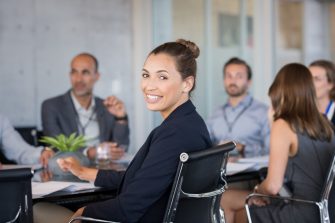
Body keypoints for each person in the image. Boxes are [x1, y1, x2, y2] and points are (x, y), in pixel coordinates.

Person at [33, 39, 212, 223]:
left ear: (187, 84)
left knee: (38, 210)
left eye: (162, 77)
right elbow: (142, 178)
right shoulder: (189, 123)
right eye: (145, 75)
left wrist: (83, 211)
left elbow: (129, 208)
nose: (149, 85)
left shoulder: (175, 133)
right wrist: (84, 172)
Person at [220, 63, 335, 223]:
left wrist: (256, 192)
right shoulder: (325, 123)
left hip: (300, 211)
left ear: (279, 91)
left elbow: (273, 186)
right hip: (325, 211)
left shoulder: (284, 124)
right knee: (232, 198)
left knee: (229, 202)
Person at [41, 53, 130, 160]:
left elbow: (121, 148)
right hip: (70, 170)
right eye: (74, 72)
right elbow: (56, 146)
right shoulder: (51, 106)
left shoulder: (107, 106)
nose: (78, 79)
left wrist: (121, 118)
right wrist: (90, 152)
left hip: (103, 169)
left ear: (96, 76)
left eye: (85, 72)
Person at [206, 57, 270, 158]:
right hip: (217, 171)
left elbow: (272, 150)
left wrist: (244, 148)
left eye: (239, 76)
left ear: (249, 82)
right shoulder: (215, 114)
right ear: (224, 80)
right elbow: (204, 145)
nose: (233, 81)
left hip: (252, 173)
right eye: (229, 76)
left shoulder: (264, 112)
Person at [309, 59, 335, 125]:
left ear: (331, 84)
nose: (310, 83)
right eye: (308, 78)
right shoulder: (300, 113)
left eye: (316, 79)